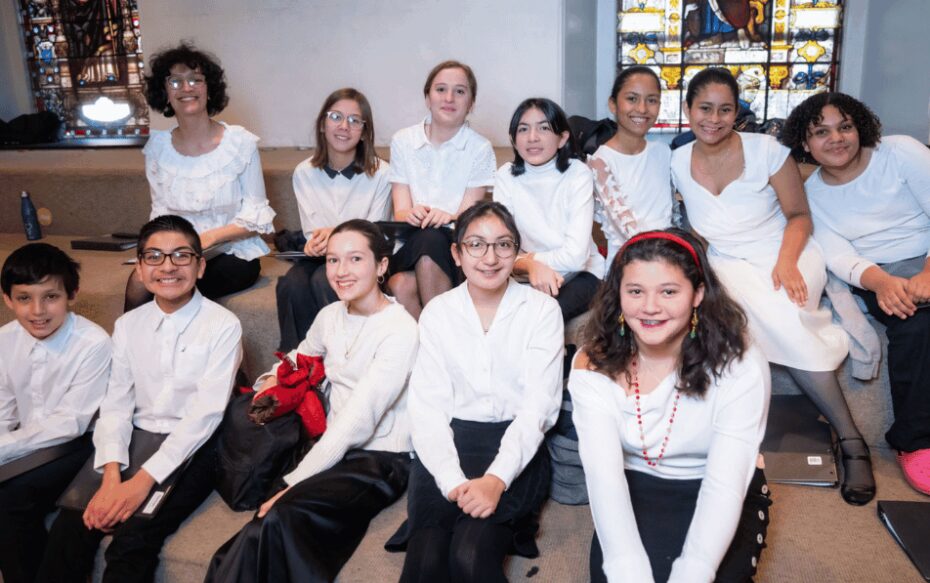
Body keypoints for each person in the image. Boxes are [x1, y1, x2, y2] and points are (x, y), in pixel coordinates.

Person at [670, 67, 873, 505]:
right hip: (724, 260)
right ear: (688, 111)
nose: (714, 119)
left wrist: (786, 263)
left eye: (726, 109)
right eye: (704, 108)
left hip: (784, 250)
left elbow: (800, 216)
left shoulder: (767, 151)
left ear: (737, 112)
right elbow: (695, 226)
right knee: (712, 311)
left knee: (784, 315)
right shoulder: (676, 161)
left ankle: (853, 441)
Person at [206, 219, 418, 582]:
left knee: (279, 517)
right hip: (330, 444)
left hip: (380, 458)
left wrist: (294, 481)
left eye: (355, 259)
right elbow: (299, 356)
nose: (341, 271)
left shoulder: (401, 330)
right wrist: (271, 381)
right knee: (261, 528)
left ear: (382, 266)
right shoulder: (330, 315)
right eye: (333, 261)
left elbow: (359, 420)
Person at [36, 215, 242, 583]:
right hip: (136, 439)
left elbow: (205, 416)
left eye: (181, 255)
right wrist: (112, 476)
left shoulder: (223, 325)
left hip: (197, 448)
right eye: (154, 257)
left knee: (133, 540)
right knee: (72, 527)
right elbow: (115, 405)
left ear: (200, 266)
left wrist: (142, 482)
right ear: (141, 269)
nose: (168, 266)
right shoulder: (129, 325)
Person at [572, 229, 771, 583]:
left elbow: (724, 484)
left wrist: (694, 572)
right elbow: (604, 477)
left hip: (719, 483)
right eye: (635, 291)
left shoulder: (741, 363)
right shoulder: (593, 364)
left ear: (698, 295)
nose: (650, 307)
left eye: (668, 291)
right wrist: (626, 571)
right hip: (636, 484)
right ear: (618, 296)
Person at [388, 201, 563, 582]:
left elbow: (538, 409)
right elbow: (428, 410)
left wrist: (496, 479)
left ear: (517, 252)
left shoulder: (542, 311)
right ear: (457, 253)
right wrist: (452, 481)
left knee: (469, 555)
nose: (490, 257)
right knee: (426, 560)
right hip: (448, 441)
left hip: (515, 443)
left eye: (503, 245)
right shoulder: (438, 312)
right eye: (476, 245)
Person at [782, 92, 930, 495]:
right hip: (878, 272)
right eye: (821, 132)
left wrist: (929, 272)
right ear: (805, 143)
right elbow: (838, 254)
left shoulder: (899, 153)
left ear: (860, 126)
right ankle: (916, 442)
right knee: (915, 326)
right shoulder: (812, 196)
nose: (837, 139)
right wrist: (881, 283)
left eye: (844, 126)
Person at [125, 42, 276, 311]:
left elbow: (256, 219)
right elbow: (160, 214)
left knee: (175, 284)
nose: (186, 88)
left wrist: (208, 239)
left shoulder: (240, 144)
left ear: (209, 88)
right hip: (179, 251)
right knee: (138, 282)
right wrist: (164, 252)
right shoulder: (158, 149)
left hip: (233, 253)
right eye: (176, 82)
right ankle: (130, 351)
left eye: (195, 80)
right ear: (165, 92)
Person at [0, 244, 111, 583]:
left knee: (12, 497)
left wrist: (4, 450)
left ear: (72, 294)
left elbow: (71, 423)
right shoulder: (4, 339)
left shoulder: (93, 342)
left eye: (50, 297)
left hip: (82, 445)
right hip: (32, 442)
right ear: (7, 299)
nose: (37, 311)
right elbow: (3, 409)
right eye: (24, 299)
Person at [275, 88, 392, 351]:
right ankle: (298, 365)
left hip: (363, 257)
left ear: (364, 131)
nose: (344, 126)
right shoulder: (304, 172)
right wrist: (313, 243)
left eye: (354, 120)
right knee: (291, 284)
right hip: (323, 254)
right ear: (322, 124)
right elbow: (311, 229)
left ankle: (344, 356)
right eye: (336, 116)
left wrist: (334, 236)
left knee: (324, 279)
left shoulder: (382, 173)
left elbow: (373, 234)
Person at [387, 60, 496, 319]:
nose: (449, 98)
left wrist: (448, 216)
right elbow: (400, 211)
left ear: (471, 103)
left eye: (460, 91)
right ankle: (447, 345)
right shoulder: (403, 141)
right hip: (409, 244)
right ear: (427, 97)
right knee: (426, 240)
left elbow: (468, 218)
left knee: (401, 284)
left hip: (455, 246)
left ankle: (430, 352)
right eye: (440, 90)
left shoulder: (479, 148)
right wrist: (412, 213)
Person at [494, 97, 604, 322]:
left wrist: (531, 260)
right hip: (525, 275)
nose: (532, 137)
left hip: (581, 275)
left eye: (544, 128)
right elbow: (500, 246)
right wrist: (529, 266)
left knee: (541, 318)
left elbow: (575, 257)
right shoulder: (506, 176)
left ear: (562, 138)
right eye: (523, 129)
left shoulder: (577, 174)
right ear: (514, 140)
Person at [587, 66, 675, 267]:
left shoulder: (663, 152)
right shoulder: (600, 163)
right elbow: (629, 231)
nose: (642, 109)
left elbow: (672, 217)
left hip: (669, 257)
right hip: (628, 264)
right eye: (632, 99)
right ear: (613, 104)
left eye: (651, 100)